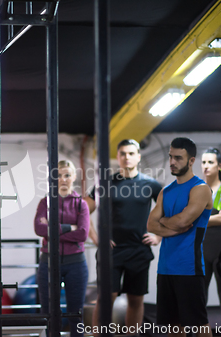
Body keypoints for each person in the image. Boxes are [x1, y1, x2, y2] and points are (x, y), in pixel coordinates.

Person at [85, 139, 162, 335]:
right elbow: (82, 212)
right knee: (105, 299)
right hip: (112, 251)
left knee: (135, 300)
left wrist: (158, 236)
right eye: (122, 153)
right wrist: (97, 239)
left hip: (139, 250)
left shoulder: (151, 184)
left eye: (130, 153)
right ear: (118, 157)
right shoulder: (105, 183)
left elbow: (169, 212)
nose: (126, 157)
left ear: (138, 156)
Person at [147, 137, 213, 337]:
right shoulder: (166, 191)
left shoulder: (200, 189)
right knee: (172, 326)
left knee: (199, 324)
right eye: (170, 157)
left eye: (178, 158)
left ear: (191, 161)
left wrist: (164, 221)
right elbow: (150, 224)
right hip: (165, 268)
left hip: (189, 268)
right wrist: (172, 225)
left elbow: (184, 221)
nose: (172, 162)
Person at [34, 160, 90, 337]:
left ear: (73, 177)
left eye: (67, 175)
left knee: (76, 314)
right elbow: (39, 229)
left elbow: (82, 234)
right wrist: (69, 228)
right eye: (58, 175)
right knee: (49, 314)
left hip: (76, 264)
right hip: (49, 263)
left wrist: (52, 228)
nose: (63, 179)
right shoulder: (45, 203)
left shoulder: (81, 204)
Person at [201, 148, 221, 337]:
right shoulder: (198, 189)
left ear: (219, 165)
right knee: (200, 300)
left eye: (210, 162)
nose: (206, 166)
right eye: (203, 162)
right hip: (203, 250)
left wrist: (199, 219)